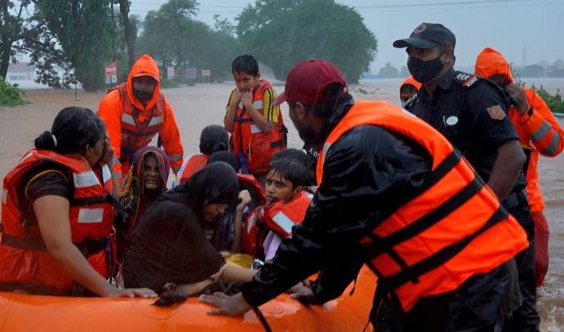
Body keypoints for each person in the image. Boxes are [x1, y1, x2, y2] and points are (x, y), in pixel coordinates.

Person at [201, 59, 529, 331]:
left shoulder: (357, 148)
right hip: (458, 272)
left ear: (300, 110)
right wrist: (322, 290)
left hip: (470, 277)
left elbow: (316, 238)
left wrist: (247, 297)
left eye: (292, 110)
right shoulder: (367, 124)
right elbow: (352, 236)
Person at [393, 23, 538, 331]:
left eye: (423, 50)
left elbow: (512, 155)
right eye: (411, 51)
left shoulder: (475, 92)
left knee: (519, 313)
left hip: (499, 215)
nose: (415, 57)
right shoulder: (416, 107)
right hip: (451, 227)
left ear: (447, 56)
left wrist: (479, 212)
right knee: (461, 312)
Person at [0, 107, 155, 298]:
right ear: (88, 148)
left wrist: (110, 163)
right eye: (103, 142)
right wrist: (108, 290)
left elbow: (114, 209)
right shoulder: (49, 180)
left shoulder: (92, 168)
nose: (107, 146)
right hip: (38, 289)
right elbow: (58, 246)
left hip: (77, 285)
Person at [475, 47, 564, 288]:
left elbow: (554, 146)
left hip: (528, 202)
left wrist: (526, 112)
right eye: (490, 84)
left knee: (537, 265)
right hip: (485, 203)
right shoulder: (471, 103)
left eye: (501, 82)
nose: (497, 89)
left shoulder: (529, 100)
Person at [122, 162, 255, 295]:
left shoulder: (184, 198)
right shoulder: (181, 214)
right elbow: (219, 268)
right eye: (219, 204)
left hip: (146, 279)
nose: (221, 210)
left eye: (224, 205)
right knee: (218, 281)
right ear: (207, 193)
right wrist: (265, 279)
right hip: (140, 290)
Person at [97, 54, 183, 182]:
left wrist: (182, 181)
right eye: (140, 81)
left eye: (149, 82)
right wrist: (119, 190)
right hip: (104, 163)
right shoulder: (113, 102)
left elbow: (174, 148)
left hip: (135, 161)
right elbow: (110, 153)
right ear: (131, 80)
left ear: (156, 85)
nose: (143, 86)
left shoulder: (163, 107)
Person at [224, 55, 287, 184]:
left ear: (257, 76)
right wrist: (234, 104)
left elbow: (269, 127)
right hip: (242, 163)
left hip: (266, 165)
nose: (241, 85)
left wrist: (249, 105)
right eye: (237, 80)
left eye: (246, 80)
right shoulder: (234, 94)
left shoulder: (268, 93)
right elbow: (229, 128)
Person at [239, 149, 313, 260]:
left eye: (279, 185)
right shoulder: (267, 213)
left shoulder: (282, 223)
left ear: (298, 191)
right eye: (269, 182)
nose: (270, 190)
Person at [116, 146, 171, 261]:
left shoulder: (169, 208)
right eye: (146, 168)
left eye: (157, 169)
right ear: (137, 169)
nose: (152, 174)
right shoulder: (122, 203)